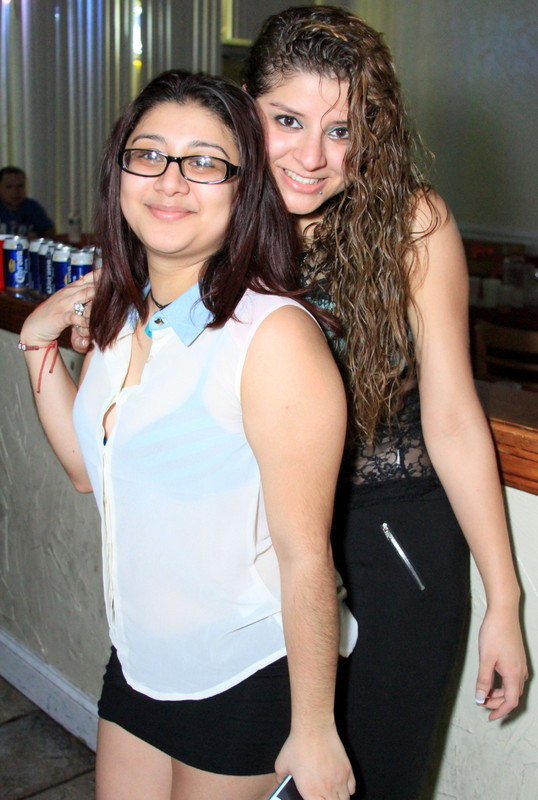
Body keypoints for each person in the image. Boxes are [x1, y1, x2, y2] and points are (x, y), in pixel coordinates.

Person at [19, 69, 356, 800]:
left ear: (244, 190)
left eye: (204, 162)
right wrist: (38, 346)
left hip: (243, 671)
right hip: (140, 660)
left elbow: (306, 557)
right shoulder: (122, 314)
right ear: (120, 174)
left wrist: (316, 726)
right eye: (149, 155)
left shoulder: (273, 339)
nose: (170, 181)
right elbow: (85, 468)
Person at [243, 6, 528, 799]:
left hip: (397, 538)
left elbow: (454, 418)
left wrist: (504, 601)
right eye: (287, 120)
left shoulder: (412, 223)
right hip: (261, 541)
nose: (312, 156)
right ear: (245, 111)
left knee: (377, 781)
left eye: (341, 129)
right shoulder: (219, 220)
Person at [0, 166, 55, 237]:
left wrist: (38, 239)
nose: (16, 191)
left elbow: (48, 231)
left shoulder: (32, 207)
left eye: (20, 186)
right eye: (9, 187)